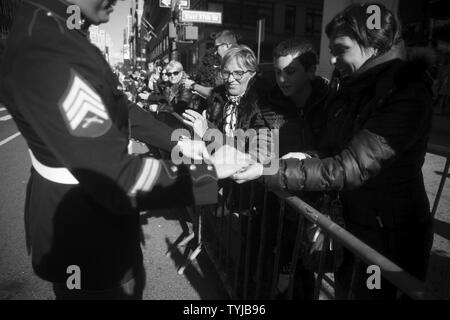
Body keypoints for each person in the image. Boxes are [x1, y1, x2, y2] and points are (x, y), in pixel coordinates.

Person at [0, 0, 250, 300]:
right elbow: (121, 178)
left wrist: (180, 141)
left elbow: (120, 106)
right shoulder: (51, 48)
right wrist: (211, 172)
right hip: (86, 232)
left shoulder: (60, 29)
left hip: (94, 219)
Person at [235, 3, 435, 300]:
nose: (332, 58)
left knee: (371, 296)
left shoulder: (406, 92)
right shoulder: (348, 91)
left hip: (387, 240)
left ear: (373, 44)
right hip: (353, 229)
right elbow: (331, 150)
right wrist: (306, 155)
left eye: (341, 49)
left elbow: (349, 166)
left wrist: (272, 171)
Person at [184, 30, 238, 99]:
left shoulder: (234, 65)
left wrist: (193, 86)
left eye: (217, 47)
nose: (215, 52)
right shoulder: (236, 61)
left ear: (227, 45)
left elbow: (218, 94)